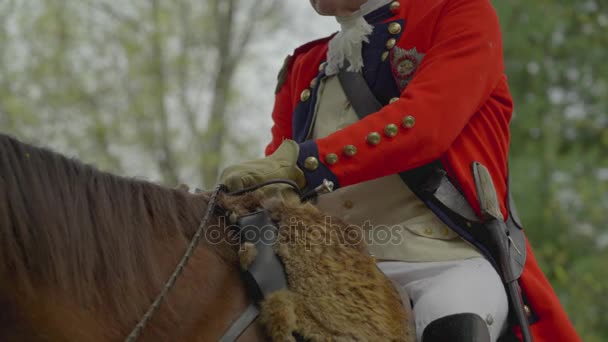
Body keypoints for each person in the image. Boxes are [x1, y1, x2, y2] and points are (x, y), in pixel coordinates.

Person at [220, 0, 581, 341]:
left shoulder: (457, 13)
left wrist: (301, 165)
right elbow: (276, 170)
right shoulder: (305, 65)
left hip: (443, 258)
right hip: (328, 267)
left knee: (452, 316)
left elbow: (425, 126)